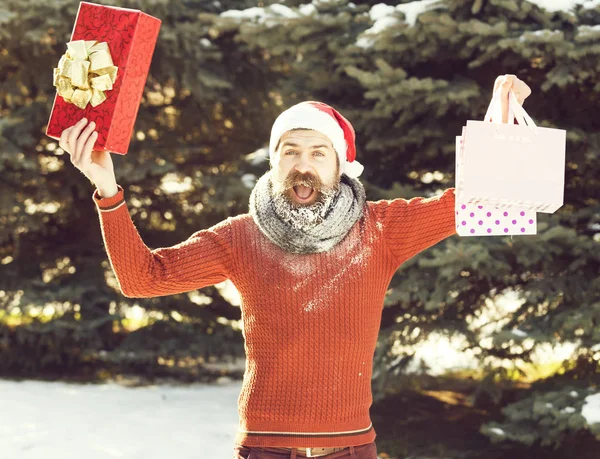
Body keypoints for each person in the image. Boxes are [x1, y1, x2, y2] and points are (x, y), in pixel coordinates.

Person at [60, 75, 531, 459]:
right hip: (265, 448)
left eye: (317, 152)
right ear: (274, 162)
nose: (302, 165)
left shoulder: (381, 229)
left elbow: (478, 199)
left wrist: (503, 121)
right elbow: (143, 279)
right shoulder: (239, 236)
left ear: (340, 166)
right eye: (291, 151)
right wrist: (107, 191)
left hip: (350, 446)